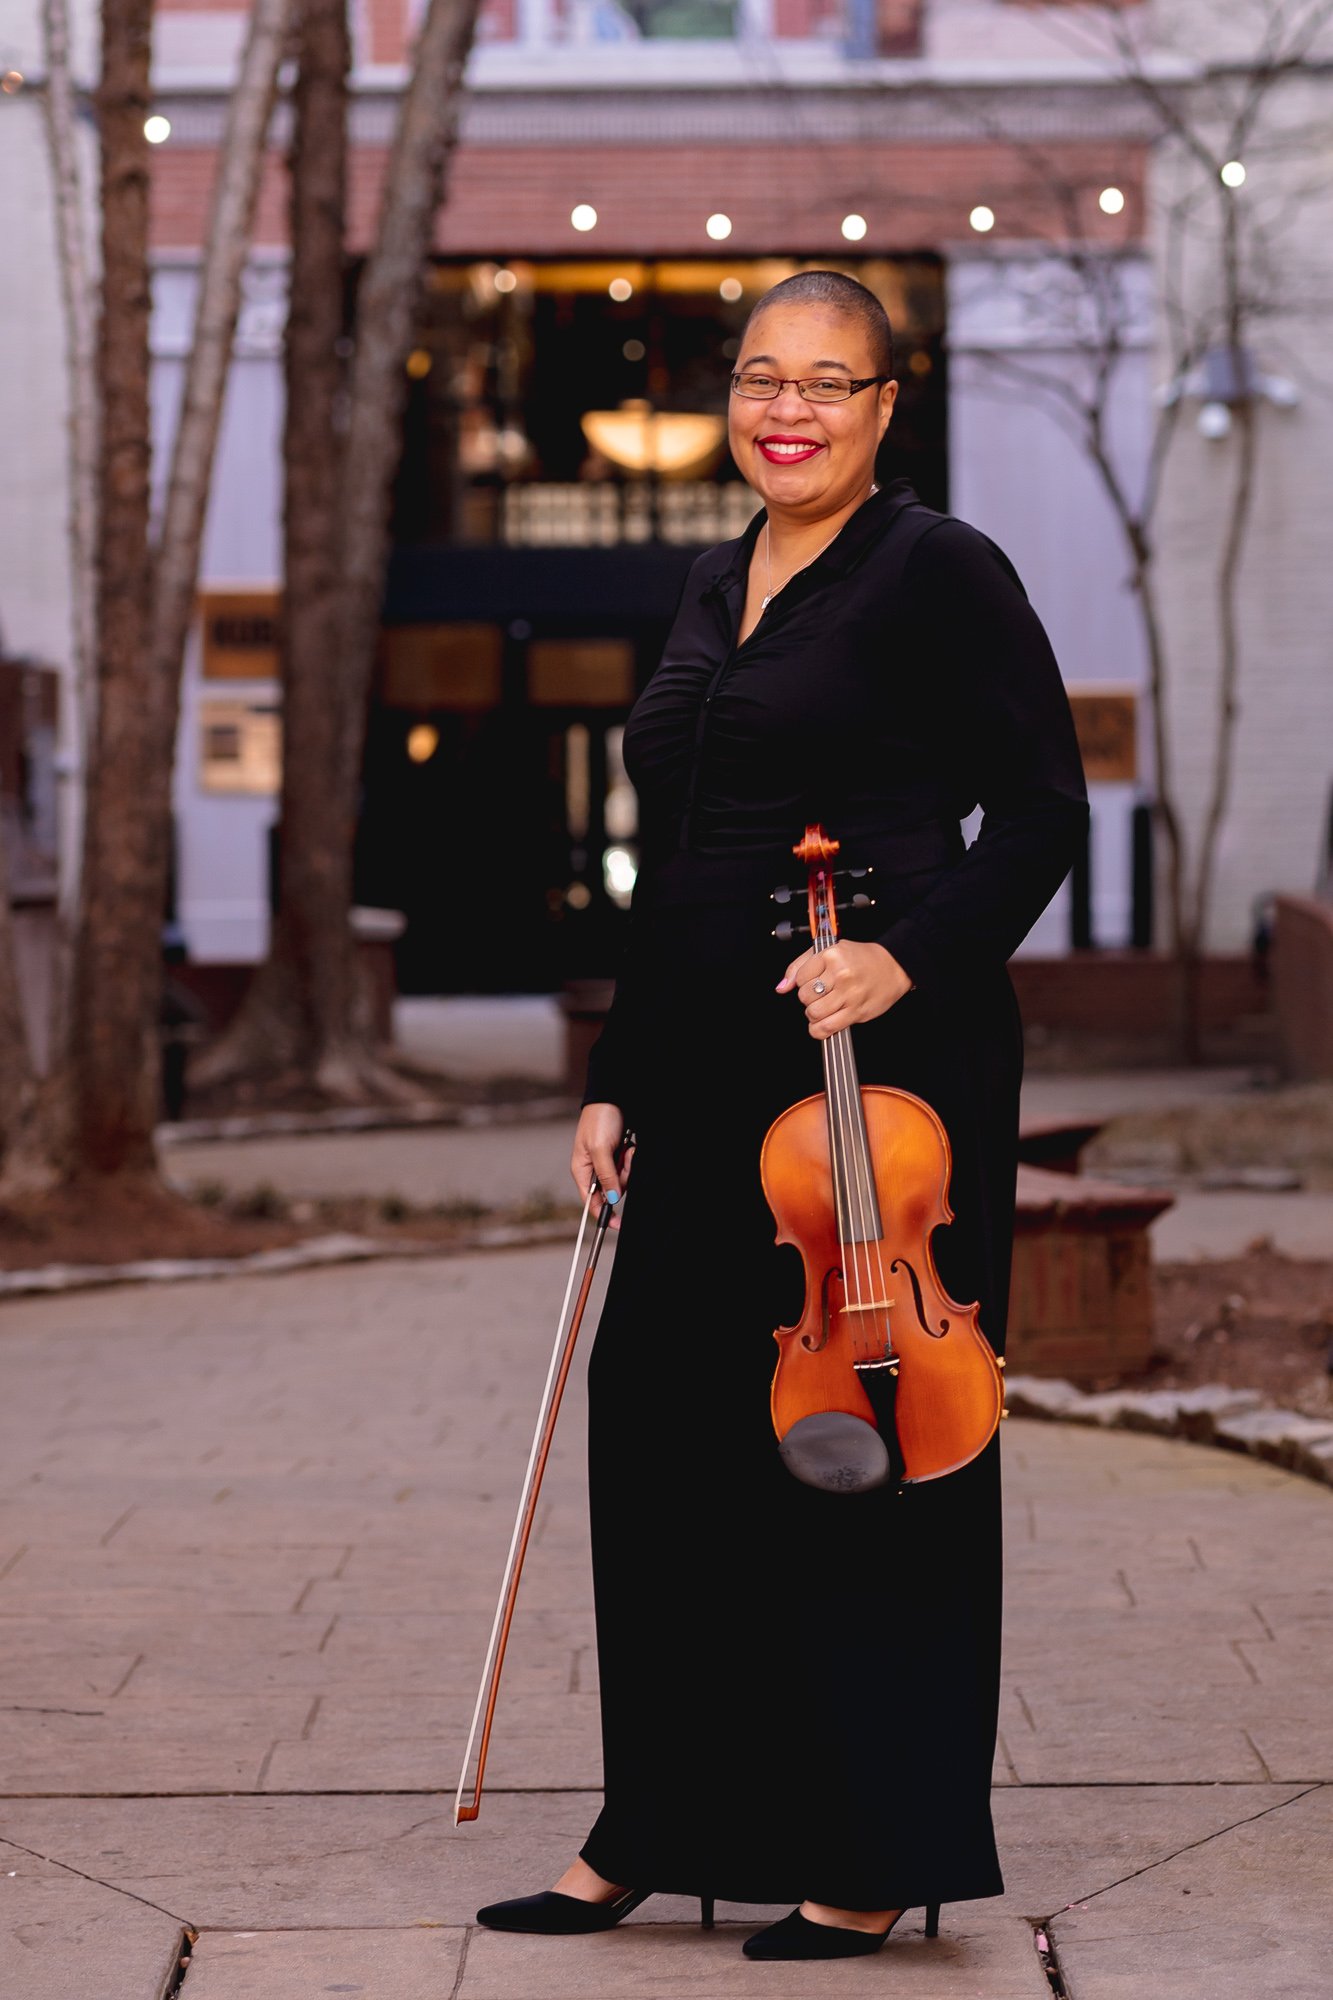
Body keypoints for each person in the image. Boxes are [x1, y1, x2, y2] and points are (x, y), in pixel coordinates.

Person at [476, 270, 1089, 1962]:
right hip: (697, 1068)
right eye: (759, 376)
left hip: (873, 1074)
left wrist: (908, 955)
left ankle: (874, 1847)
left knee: (858, 1451)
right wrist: (611, 1069)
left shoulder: (936, 567)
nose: (786, 407)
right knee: (664, 1429)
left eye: (829, 380)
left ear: (890, 406)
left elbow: (1042, 805)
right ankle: (653, 1826)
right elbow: (673, 851)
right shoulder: (708, 575)